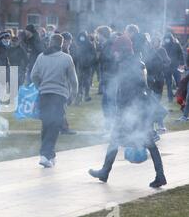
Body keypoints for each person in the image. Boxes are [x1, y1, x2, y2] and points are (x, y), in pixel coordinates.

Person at [89, 35, 167, 189]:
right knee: (145, 142)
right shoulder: (137, 62)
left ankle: (105, 172)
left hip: (131, 110)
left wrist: (122, 111)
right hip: (139, 109)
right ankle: (159, 175)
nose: (115, 53)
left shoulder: (126, 65)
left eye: (117, 51)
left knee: (122, 141)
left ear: (123, 50)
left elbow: (128, 90)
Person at [31, 34, 78, 168]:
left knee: (46, 124)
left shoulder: (41, 57)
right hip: (59, 95)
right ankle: (45, 154)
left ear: (50, 43)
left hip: (44, 94)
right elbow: (73, 80)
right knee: (55, 125)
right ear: (62, 44)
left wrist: (39, 86)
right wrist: (73, 95)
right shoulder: (66, 58)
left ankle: (49, 155)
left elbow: (33, 75)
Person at [96, 26, 117, 132]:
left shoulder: (109, 45)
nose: (97, 36)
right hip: (107, 78)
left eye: (98, 34)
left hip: (110, 79)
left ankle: (111, 128)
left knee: (109, 103)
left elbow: (110, 62)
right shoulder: (105, 45)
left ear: (102, 34)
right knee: (106, 103)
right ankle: (109, 127)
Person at [75, 31, 96, 104]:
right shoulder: (78, 44)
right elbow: (75, 54)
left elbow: (94, 55)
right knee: (80, 81)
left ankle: (85, 95)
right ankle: (79, 96)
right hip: (80, 65)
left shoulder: (90, 45)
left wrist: (90, 61)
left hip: (87, 65)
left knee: (86, 81)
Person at [163, 32, 184, 103]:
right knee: (169, 83)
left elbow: (181, 54)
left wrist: (182, 63)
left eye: (168, 38)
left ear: (171, 38)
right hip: (167, 67)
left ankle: (180, 96)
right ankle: (170, 98)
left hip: (175, 66)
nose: (167, 40)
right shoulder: (164, 46)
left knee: (178, 82)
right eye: (166, 38)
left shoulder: (176, 45)